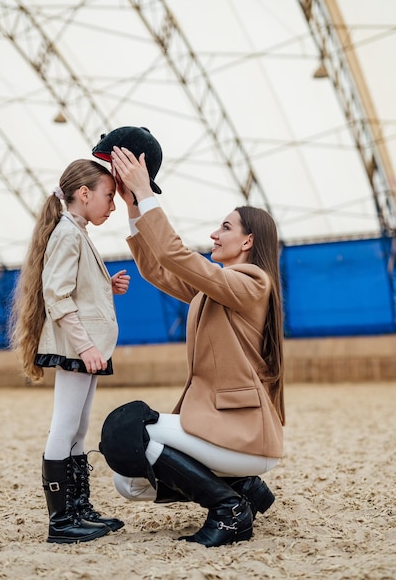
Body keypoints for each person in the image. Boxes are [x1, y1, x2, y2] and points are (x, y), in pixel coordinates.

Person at [99, 144, 285, 548]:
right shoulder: (215, 290)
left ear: (249, 241)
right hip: (227, 436)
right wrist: (133, 206)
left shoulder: (252, 284)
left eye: (225, 228)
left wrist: (145, 191)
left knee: (130, 431)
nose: (214, 235)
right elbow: (158, 267)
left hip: (244, 435)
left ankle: (229, 510)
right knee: (128, 483)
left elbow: (174, 252)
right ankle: (243, 489)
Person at [9, 158, 130, 544]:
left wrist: (104, 284)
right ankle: (61, 521)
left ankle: (79, 509)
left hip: (86, 348)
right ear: (83, 194)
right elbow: (56, 295)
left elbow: (72, 287)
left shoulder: (76, 231)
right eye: (109, 197)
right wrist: (86, 346)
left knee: (78, 427)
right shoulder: (67, 233)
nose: (112, 205)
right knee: (64, 426)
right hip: (79, 349)